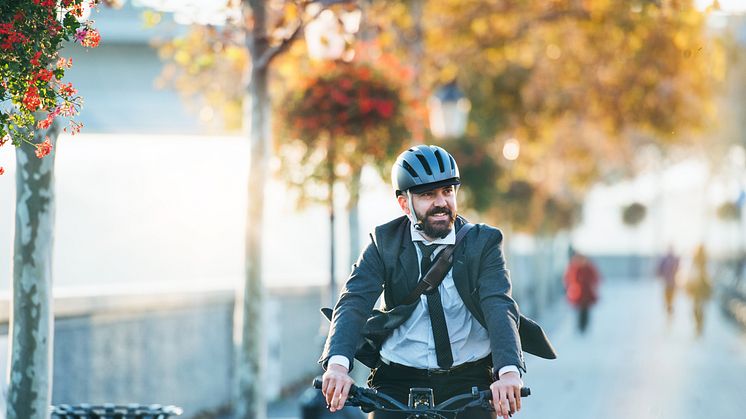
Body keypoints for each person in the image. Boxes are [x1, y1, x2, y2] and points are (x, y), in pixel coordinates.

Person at [319, 145, 527, 419]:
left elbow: (498, 304)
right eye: (428, 194)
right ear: (404, 203)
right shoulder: (384, 243)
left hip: (468, 379)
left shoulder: (483, 243)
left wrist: (508, 372)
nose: (441, 202)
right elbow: (354, 302)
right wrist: (337, 367)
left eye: (447, 191)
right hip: (396, 380)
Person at [563, 251, 601, 334]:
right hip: (577, 293)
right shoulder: (574, 267)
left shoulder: (588, 268)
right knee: (579, 311)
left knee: (586, 311)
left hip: (586, 294)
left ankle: (584, 326)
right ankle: (580, 326)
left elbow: (595, 278)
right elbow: (568, 279)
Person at [685, 244, 712, 337]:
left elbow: (691, 273)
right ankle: (699, 325)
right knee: (698, 308)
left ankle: (698, 325)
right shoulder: (700, 260)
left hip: (698, 288)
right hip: (700, 288)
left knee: (697, 308)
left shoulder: (702, 260)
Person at [656, 246, 680, 319]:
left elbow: (678, 268)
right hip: (668, 282)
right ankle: (669, 309)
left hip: (671, 282)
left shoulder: (672, 259)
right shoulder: (665, 259)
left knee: (670, 298)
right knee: (668, 298)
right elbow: (660, 269)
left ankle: (669, 309)